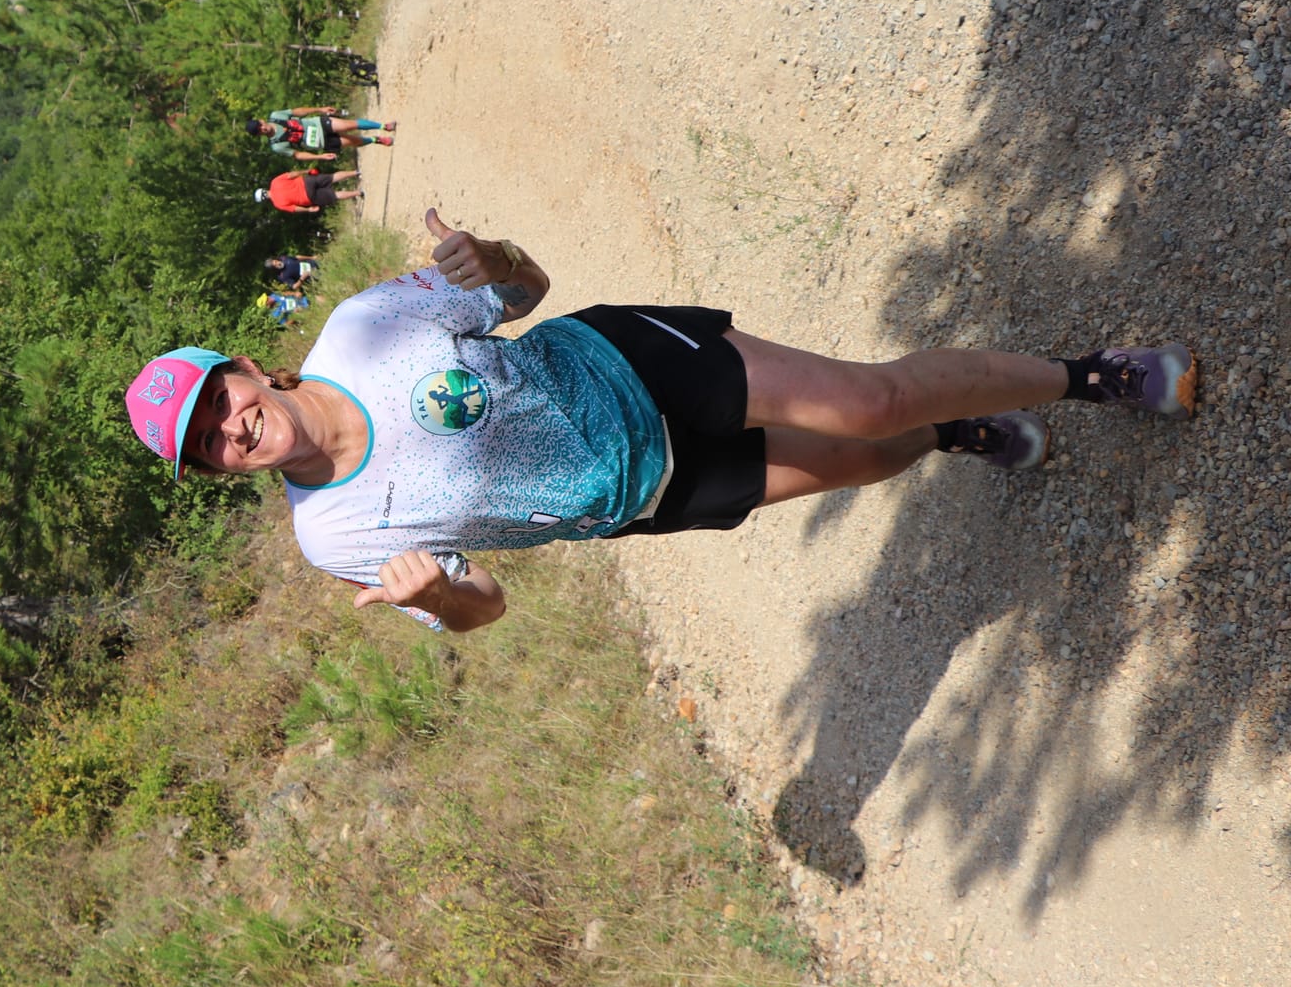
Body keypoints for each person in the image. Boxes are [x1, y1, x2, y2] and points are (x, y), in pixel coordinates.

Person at [124, 209, 1197, 633]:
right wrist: (443, 596)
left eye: (220, 398)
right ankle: (946, 437)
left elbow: (523, 288)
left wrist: (491, 261)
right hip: (634, 495)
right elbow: (484, 608)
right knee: (865, 458)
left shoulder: (362, 328)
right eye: (207, 441)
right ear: (216, 472)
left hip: (631, 367)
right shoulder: (331, 535)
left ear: (246, 369)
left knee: (866, 397)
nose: (231, 426)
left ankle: (1082, 374)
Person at [247, 107, 396, 162]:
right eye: (259, 131)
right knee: (353, 141)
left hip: (317, 124)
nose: (262, 128)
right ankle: (375, 139)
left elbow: (298, 111)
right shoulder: (277, 146)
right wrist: (320, 157)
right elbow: (298, 155)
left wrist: (319, 109)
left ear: (261, 121)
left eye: (260, 125)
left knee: (349, 124)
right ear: (259, 134)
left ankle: (383, 126)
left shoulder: (276, 116)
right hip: (320, 142)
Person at [257, 167, 361, 214]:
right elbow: (291, 174)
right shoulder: (274, 182)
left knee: (334, 195)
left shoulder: (277, 204)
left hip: (308, 197)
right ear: (264, 190)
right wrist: (306, 171)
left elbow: (295, 209)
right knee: (332, 177)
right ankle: (355, 172)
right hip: (307, 181)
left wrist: (308, 210)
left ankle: (358, 193)